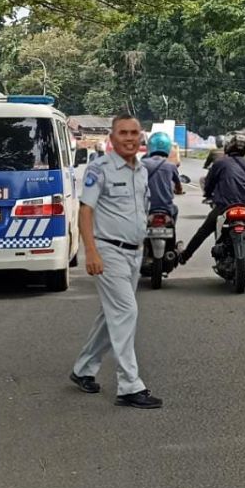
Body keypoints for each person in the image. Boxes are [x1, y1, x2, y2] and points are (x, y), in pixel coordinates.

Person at [70, 114, 163, 409]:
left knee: (111, 315)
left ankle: (83, 369)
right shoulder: (100, 169)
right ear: (112, 138)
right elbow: (85, 211)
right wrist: (91, 252)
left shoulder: (142, 170)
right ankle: (129, 386)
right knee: (125, 311)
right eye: (123, 132)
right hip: (109, 252)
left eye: (134, 133)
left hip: (134, 252)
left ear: (141, 138)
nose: (129, 138)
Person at [178, 133, 245, 265]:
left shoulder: (219, 163)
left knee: (204, 231)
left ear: (229, 147)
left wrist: (208, 195)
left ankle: (185, 256)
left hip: (224, 206)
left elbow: (209, 183)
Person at [143, 131, 184, 220]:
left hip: (146, 206)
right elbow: (178, 186)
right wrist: (179, 191)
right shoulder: (171, 166)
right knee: (175, 210)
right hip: (166, 207)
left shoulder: (142, 164)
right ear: (168, 147)